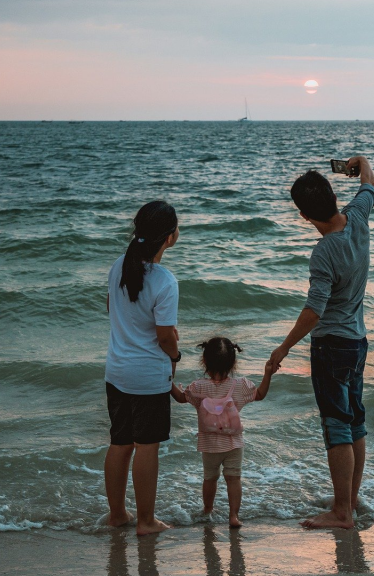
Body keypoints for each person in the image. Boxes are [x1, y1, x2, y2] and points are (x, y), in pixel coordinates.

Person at [267, 155, 374, 529]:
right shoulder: (358, 217)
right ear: (333, 195)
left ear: (303, 216)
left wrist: (283, 348)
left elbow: (315, 310)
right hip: (358, 341)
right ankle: (350, 499)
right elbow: (369, 182)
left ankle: (342, 512)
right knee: (355, 422)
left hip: (331, 344)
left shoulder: (324, 251)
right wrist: (357, 162)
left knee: (337, 426)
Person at [104, 200, 181, 536]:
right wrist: (176, 357)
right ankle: (147, 522)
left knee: (120, 444)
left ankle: (118, 514)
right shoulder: (165, 281)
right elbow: (165, 337)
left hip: (116, 371)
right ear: (169, 237)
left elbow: (111, 307)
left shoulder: (118, 266)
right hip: (148, 376)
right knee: (147, 447)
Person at [170, 337, 273, 528]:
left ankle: (207, 510)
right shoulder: (240, 386)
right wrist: (268, 373)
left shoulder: (199, 387)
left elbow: (179, 397)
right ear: (233, 363)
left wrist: (168, 377)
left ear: (205, 361)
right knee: (233, 478)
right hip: (233, 444)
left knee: (210, 478)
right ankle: (233, 516)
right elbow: (260, 394)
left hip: (209, 445)